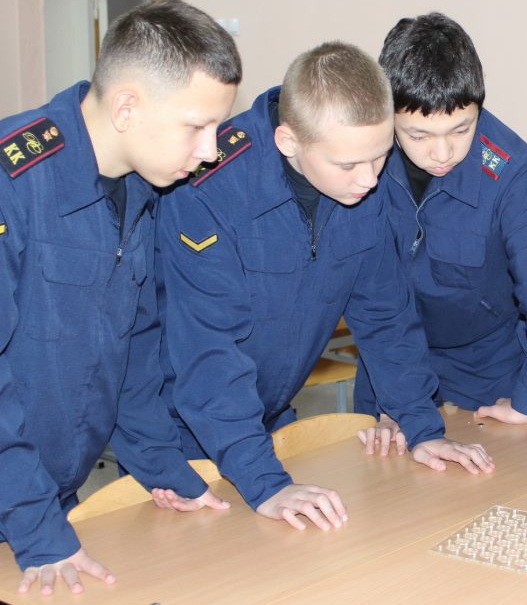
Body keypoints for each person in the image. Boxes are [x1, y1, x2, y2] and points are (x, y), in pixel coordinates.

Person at [154, 41, 495, 532]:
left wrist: (422, 427)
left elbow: (385, 315)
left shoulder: (360, 176)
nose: (369, 181)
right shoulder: (209, 189)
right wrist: (264, 481)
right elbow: (208, 353)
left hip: (265, 421)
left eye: (380, 158)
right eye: (349, 166)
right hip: (180, 435)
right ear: (289, 142)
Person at [0, 0, 240, 605]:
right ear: (127, 106)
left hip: (47, 491)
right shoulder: (14, 180)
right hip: (19, 494)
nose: (210, 150)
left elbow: (131, 350)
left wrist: (164, 469)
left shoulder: (139, 187)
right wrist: (35, 525)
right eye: (197, 127)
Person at [353, 13, 527, 553]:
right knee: (393, 526)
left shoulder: (507, 167)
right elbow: (375, 303)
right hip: (391, 364)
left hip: (486, 371)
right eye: (418, 135)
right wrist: (397, 405)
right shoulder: (362, 163)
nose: (442, 153)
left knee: (487, 511)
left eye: (461, 130)